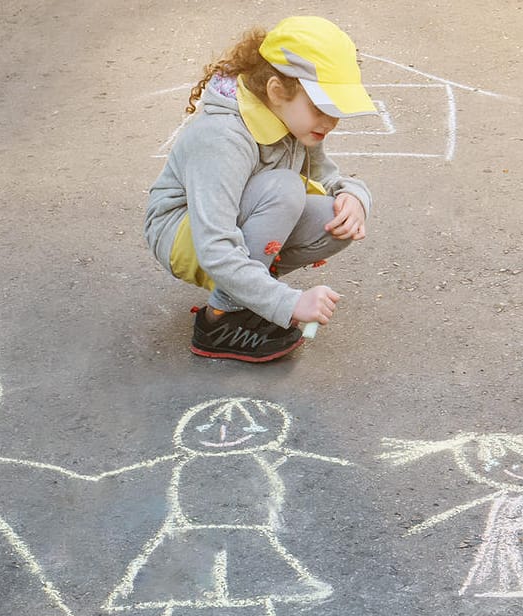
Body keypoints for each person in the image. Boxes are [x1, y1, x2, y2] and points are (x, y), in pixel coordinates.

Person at [144, 15, 377, 362]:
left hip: (231, 223)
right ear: (276, 90)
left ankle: (249, 292)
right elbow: (216, 245)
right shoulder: (222, 137)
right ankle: (220, 321)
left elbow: (327, 176)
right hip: (184, 233)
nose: (331, 121)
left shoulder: (293, 118)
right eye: (322, 107)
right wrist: (289, 302)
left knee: (336, 219)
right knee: (284, 189)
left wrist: (353, 197)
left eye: (337, 110)